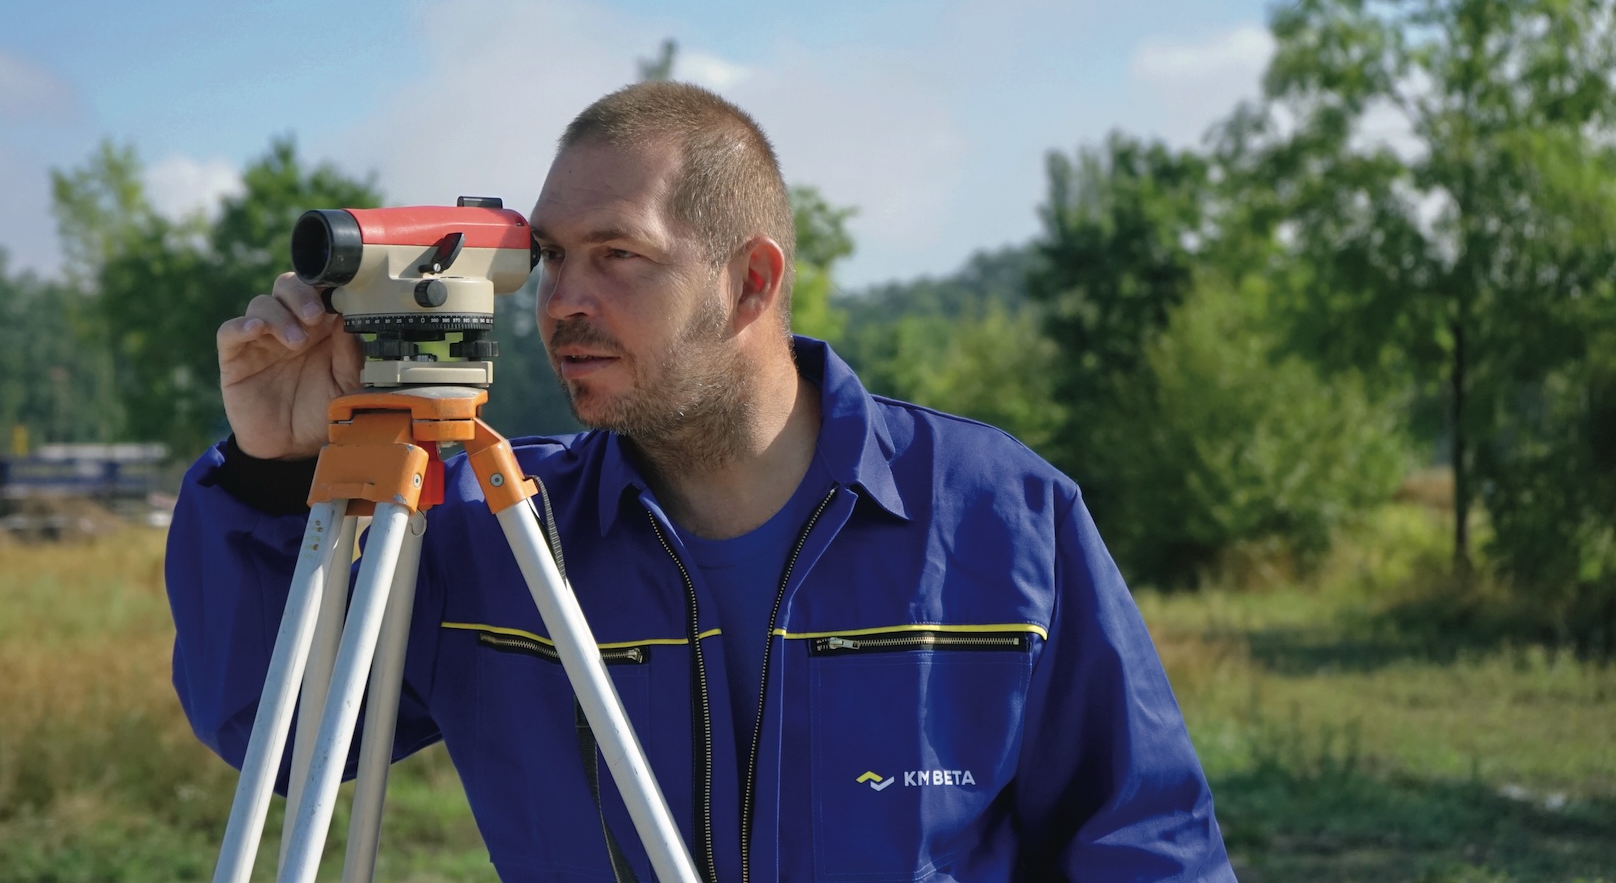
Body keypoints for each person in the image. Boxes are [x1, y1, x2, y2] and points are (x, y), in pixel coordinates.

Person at [166, 82, 1235, 881]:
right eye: (548, 259)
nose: (560, 302)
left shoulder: (1003, 519)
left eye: (618, 255)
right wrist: (273, 473)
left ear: (752, 281)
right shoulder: (490, 535)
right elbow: (272, 730)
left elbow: (1142, 841)